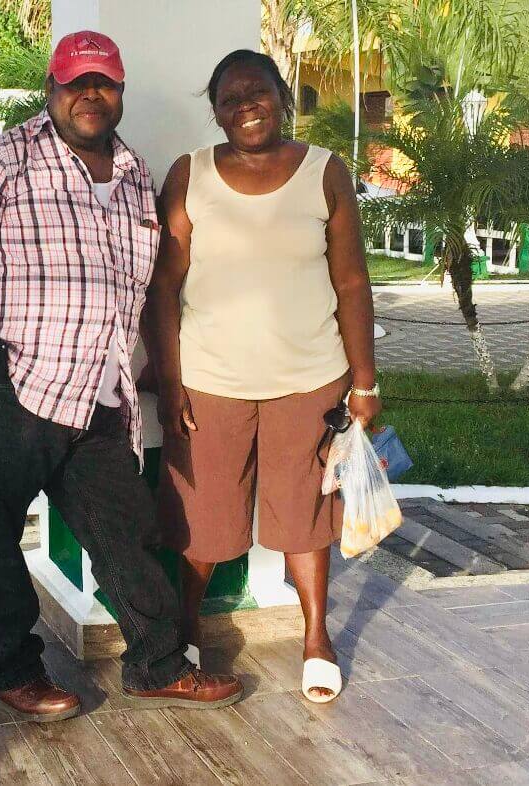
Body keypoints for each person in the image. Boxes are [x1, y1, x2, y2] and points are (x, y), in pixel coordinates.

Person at [0, 30, 242, 722]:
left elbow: (140, 284)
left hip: (96, 391)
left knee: (128, 529)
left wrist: (155, 363)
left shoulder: (131, 173)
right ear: (51, 90)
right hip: (5, 380)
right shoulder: (3, 161)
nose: (89, 95)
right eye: (75, 82)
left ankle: (156, 665)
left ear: (119, 91)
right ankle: (7, 670)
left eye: (103, 82)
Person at [146, 50, 381, 704]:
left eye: (258, 92)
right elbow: (164, 286)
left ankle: (315, 638)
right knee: (202, 517)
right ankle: (185, 628)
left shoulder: (324, 172)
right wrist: (169, 383)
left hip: (308, 380)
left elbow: (351, 281)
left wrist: (363, 382)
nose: (245, 105)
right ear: (215, 111)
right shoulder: (189, 174)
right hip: (209, 383)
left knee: (306, 516)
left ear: (282, 96)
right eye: (229, 97)